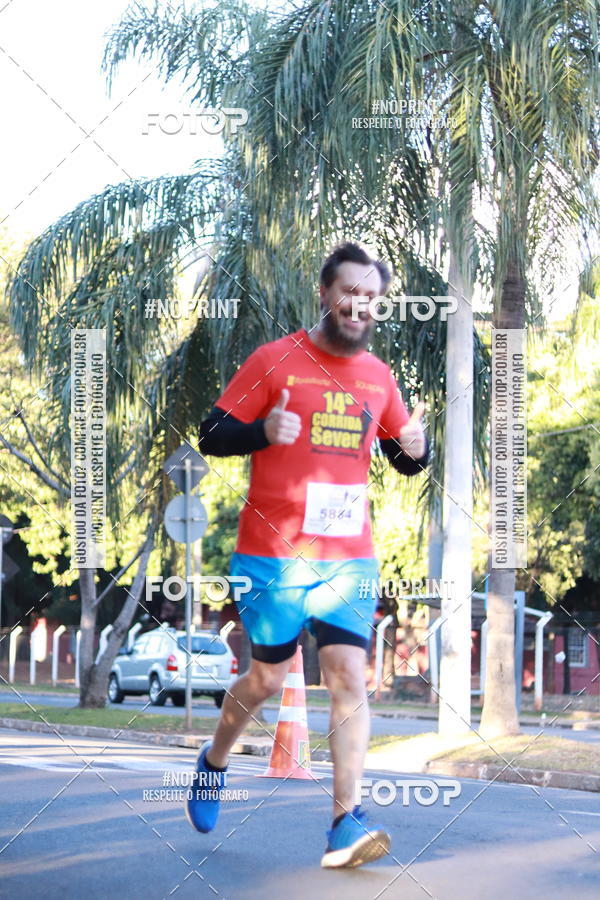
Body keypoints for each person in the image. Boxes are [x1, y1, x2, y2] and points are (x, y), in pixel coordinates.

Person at [189, 241, 429, 868]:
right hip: (272, 555)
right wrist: (260, 432)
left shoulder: (378, 377)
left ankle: (345, 824)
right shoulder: (274, 360)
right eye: (348, 292)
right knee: (266, 678)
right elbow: (211, 434)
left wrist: (417, 446)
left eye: (370, 297)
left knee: (350, 678)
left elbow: (402, 458)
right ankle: (214, 760)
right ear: (325, 293)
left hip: (349, 557)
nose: (359, 304)